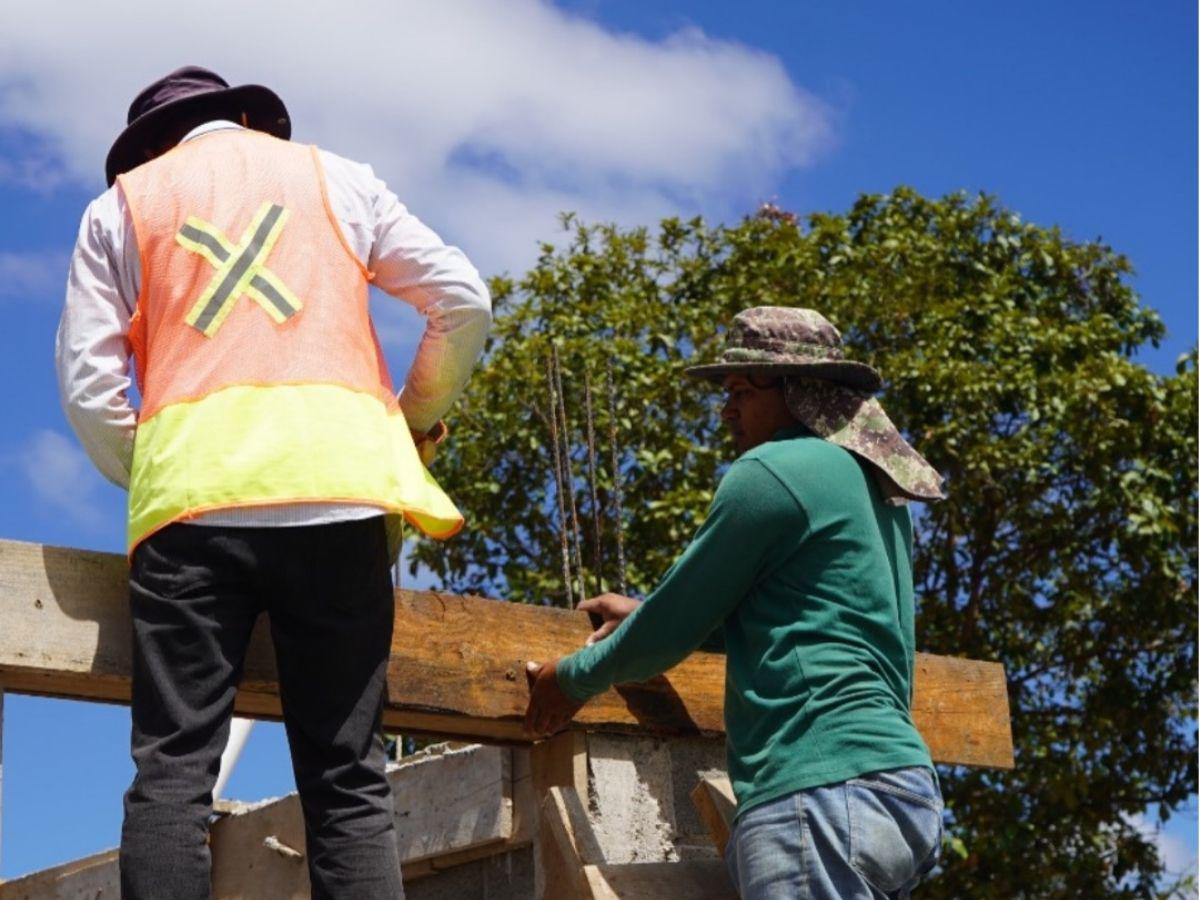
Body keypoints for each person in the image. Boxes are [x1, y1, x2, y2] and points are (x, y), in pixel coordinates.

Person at [56, 66, 491, 899]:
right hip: (341, 494)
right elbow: (463, 301)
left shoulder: (122, 205)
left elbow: (88, 388)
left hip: (192, 509)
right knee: (347, 778)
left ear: (147, 148)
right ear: (252, 120)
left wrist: (153, 473)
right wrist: (409, 419)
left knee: (173, 773)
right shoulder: (340, 178)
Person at [525, 307, 946, 899]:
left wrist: (569, 680)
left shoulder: (774, 471)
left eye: (743, 390)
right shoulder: (872, 485)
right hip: (900, 792)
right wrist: (645, 613)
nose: (727, 410)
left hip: (817, 790)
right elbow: (784, 618)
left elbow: (672, 629)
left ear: (797, 391)